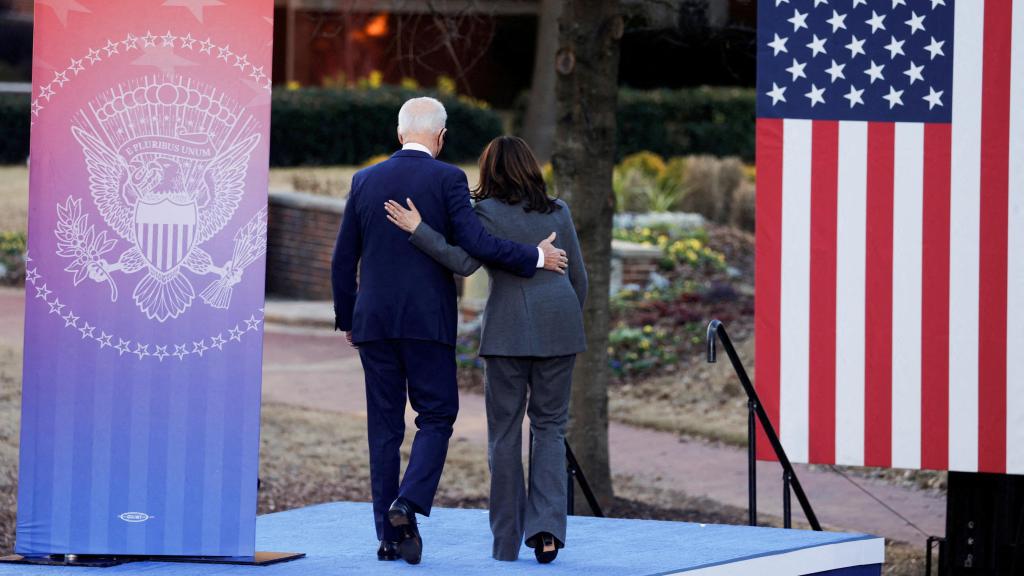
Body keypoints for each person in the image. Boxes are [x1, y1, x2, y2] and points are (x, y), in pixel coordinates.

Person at [331, 99, 569, 565]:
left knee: (383, 429)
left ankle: (390, 536)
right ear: (440, 137)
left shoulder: (364, 181)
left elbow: (343, 259)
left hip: (374, 324)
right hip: (427, 323)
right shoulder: (448, 179)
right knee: (436, 417)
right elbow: (475, 246)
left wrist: (349, 317)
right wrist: (535, 257)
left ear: (400, 134)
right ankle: (407, 504)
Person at [384, 135, 587, 564]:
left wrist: (418, 230)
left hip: (508, 334)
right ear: (532, 168)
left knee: (505, 434)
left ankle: (506, 543)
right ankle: (548, 532)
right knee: (550, 429)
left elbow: (464, 262)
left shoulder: (485, 214)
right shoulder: (559, 211)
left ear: (489, 172)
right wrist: (563, 322)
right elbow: (579, 280)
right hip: (559, 328)